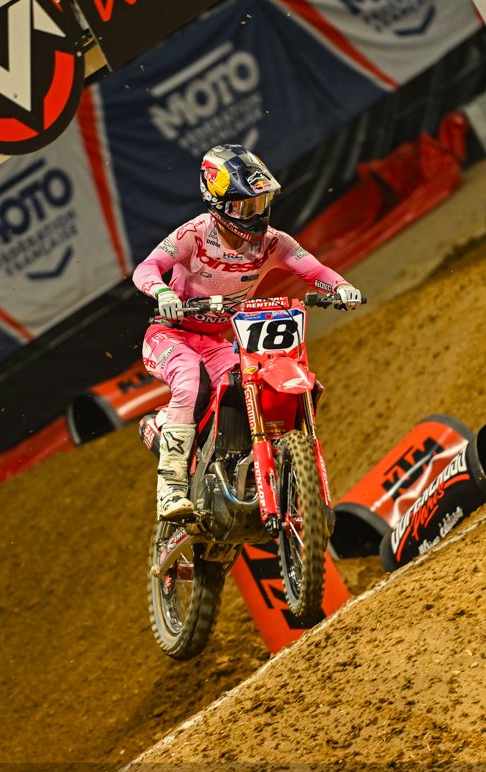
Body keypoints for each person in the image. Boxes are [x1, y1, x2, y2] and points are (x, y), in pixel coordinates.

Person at [131, 144, 362, 520]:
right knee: (190, 380)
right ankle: (170, 486)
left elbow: (313, 269)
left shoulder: (273, 243)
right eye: (244, 206)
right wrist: (162, 292)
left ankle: (240, 466)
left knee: (247, 382)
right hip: (169, 335)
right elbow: (147, 267)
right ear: (218, 204)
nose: (255, 215)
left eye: (260, 203)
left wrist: (341, 287)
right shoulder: (195, 234)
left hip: (215, 341)